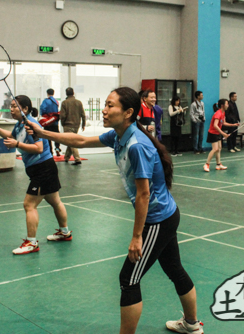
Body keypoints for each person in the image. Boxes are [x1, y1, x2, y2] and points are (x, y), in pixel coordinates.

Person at [26, 87, 203, 334]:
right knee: (174, 269)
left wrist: (137, 236)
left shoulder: (136, 145)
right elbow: (80, 141)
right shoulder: (119, 136)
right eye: (105, 105)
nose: (104, 110)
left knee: (128, 279)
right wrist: (43, 132)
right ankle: (192, 324)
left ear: (128, 112)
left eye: (110, 105)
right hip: (166, 214)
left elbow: (143, 195)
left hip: (157, 220)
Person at [0, 95, 72, 255]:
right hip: (43, 168)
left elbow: (39, 148)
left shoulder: (32, 125)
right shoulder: (20, 124)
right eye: (11, 106)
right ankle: (65, 232)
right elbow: (12, 137)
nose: (11, 109)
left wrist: (17, 144)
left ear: (25, 109)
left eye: (15, 106)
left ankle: (31, 243)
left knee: (29, 205)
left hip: (42, 169)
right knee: (55, 201)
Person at [204, 99, 239, 172]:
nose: (228, 105)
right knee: (215, 149)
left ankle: (218, 164)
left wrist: (233, 125)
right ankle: (207, 164)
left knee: (219, 148)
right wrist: (223, 133)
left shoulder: (223, 113)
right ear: (222, 105)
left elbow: (224, 123)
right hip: (213, 133)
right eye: (227, 104)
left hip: (218, 133)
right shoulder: (218, 113)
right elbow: (215, 125)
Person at [60, 87, 86, 165]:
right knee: (70, 141)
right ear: (73, 93)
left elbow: (63, 115)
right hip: (76, 125)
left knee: (71, 142)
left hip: (67, 125)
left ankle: (77, 159)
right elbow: (83, 114)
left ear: (66, 94)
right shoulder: (79, 102)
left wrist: (62, 123)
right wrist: (83, 124)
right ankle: (66, 157)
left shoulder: (64, 103)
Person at [39, 88, 61, 157]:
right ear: (53, 93)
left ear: (47, 93)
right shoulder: (56, 101)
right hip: (55, 121)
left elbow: (43, 109)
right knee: (56, 136)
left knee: (48, 137)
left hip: (48, 122)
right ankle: (57, 148)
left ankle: (50, 151)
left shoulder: (46, 101)